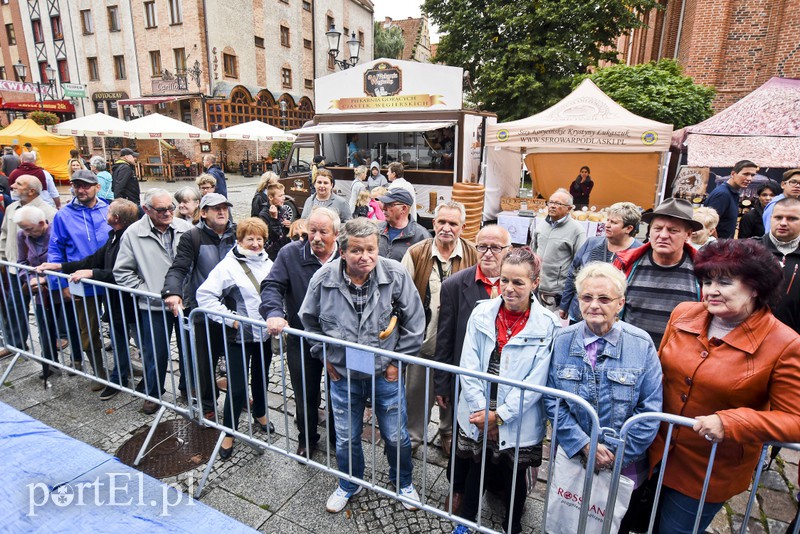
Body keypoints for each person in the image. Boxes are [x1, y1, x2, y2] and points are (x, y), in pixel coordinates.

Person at [650, 239, 800, 533]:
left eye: (725, 282)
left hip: (708, 471)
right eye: (707, 282)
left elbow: (794, 420)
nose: (711, 290)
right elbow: (658, 371)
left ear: (755, 288)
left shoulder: (785, 344)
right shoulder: (683, 313)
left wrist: (731, 423)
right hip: (653, 453)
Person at [299, 217, 424, 514]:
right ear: (342, 252)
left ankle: (403, 482)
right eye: (356, 250)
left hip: (385, 373)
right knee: (345, 436)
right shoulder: (323, 279)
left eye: (371, 249)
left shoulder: (395, 275)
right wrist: (324, 356)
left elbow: (415, 324)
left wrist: (396, 363)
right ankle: (349, 483)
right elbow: (309, 322)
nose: (365, 256)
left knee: (396, 435)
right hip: (343, 374)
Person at [545, 262, 662, 533]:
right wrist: (584, 445)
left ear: (620, 303)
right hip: (575, 457)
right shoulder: (562, 340)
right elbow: (553, 401)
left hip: (623, 465)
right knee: (567, 522)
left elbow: (650, 411)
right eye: (586, 297)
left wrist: (613, 456)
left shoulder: (641, 343)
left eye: (604, 299)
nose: (594, 305)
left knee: (611, 525)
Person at [452, 247, 559, 534]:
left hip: (517, 413)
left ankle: (512, 526)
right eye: (504, 280)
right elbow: (469, 364)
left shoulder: (548, 324)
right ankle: (466, 521)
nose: (509, 288)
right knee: (477, 466)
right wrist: (481, 412)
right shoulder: (482, 312)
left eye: (518, 282)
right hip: (479, 408)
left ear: (535, 283)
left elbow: (537, 381)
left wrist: (500, 416)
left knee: (514, 475)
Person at [434, 224, 512, 513]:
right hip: (467, 381)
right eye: (482, 246)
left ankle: (496, 486)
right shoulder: (455, 285)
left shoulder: (517, 283)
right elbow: (445, 338)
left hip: (504, 382)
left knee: (500, 438)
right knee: (464, 437)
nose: (488, 253)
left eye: (496, 247)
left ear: (508, 250)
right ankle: (458, 488)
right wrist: (442, 383)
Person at [37, 199, 141, 398]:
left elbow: (122, 272)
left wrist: (92, 273)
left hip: (127, 300)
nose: (105, 214)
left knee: (141, 341)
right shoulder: (113, 235)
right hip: (110, 299)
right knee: (113, 334)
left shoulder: (128, 238)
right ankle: (115, 375)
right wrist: (60, 267)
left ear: (115, 218)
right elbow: (94, 259)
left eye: (108, 212)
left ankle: (150, 383)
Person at [261, 206, 341, 457]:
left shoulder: (346, 254)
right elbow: (272, 284)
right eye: (312, 231)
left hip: (338, 341)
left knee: (339, 392)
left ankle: (337, 437)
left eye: (323, 232)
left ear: (336, 234)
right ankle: (306, 438)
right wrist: (274, 312)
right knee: (305, 393)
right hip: (302, 338)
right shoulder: (290, 253)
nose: (316, 237)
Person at [401, 201, 478, 453]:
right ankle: (413, 438)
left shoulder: (473, 255)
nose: (446, 228)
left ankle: (447, 432)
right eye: (442, 222)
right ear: (433, 223)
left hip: (458, 346)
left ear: (462, 227)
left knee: (453, 395)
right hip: (423, 344)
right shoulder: (416, 253)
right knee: (416, 396)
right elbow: (400, 296)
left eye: (453, 223)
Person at [196, 217, 274, 459]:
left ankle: (260, 413)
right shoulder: (227, 266)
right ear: (239, 240)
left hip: (264, 335)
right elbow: (204, 295)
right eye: (250, 239)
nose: (255, 244)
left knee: (261, 377)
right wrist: (231, 319)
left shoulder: (268, 262)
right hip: (238, 337)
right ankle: (229, 431)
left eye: (259, 239)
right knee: (238, 386)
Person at [113, 189, 192, 414]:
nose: (168, 213)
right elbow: (122, 271)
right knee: (155, 352)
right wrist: (147, 292)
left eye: (170, 208)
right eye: (161, 210)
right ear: (146, 209)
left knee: (189, 349)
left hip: (185, 303)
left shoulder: (185, 228)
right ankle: (153, 392)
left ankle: (188, 387)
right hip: (154, 304)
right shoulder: (133, 233)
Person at [163, 192, 237, 411]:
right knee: (206, 361)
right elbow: (179, 268)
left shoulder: (238, 233)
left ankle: (238, 397)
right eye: (216, 208)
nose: (222, 211)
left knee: (237, 358)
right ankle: (207, 404)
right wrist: (172, 292)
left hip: (235, 309)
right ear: (203, 213)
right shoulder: (192, 237)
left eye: (224, 207)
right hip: (205, 310)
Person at [48, 169, 112, 387]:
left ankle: (123, 365)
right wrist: (60, 283)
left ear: (97, 187)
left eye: (86, 185)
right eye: (77, 185)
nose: (81, 190)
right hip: (81, 282)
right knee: (88, 328)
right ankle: (98, 371)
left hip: (109, 279)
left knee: (120, 323)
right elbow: (55, 250)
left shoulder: (108, 209)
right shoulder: (63, 215)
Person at [614, 198, 702, 347]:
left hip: (679, 357)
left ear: (688, 235)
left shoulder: (703, 271)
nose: (663, 235)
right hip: (631, 352)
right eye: (658, 228)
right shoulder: (626, 264)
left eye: (673, 230)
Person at [0, 176, 57, 358]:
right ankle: (15, 343)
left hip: (43, 273)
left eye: (18, 184)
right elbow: (4, 234)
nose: (12, 186)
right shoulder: (11, 208)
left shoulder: (48, 212)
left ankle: (57, 340)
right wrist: (2, 258)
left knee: (50, 309)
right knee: (15, 306)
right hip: (16, 267)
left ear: (32, 190)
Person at [559, 201, 642, 323]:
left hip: (616, 320)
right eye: (608, 220)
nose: (607, 225)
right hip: (581, 314)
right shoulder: (591, 243)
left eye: (613, 222)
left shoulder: (639, 252)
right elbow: (573, 274)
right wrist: (564, 304)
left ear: (628, 228)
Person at [533, 188, 587, 313]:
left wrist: (570, 294)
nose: (552, 206)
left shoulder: (577, 230)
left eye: (557, 203)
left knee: (551, 322)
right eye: (551, 202)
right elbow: (533, 251)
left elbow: (579, 265)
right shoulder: (541, 225)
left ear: (569, 208)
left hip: (556, 292)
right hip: (536, 286)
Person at [755, 197, 800, 333]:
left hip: (794, 338)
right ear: (771, 218)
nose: (783, 223)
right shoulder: (750, 251)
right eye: (778, 217)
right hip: (751, 335)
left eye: (792, 218)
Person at [703, 160, 756, 239]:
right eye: (745, 174)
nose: (749, 178)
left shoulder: (731, 193)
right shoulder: (723, 194)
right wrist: (717, 243)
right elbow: (708, 224)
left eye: (752, 175)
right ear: (733, 174)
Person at [376, 189, 430, 262]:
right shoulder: (376, 229)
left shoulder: (422, 237)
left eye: (389, 204)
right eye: (383, 203)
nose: (384, 208)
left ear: (403, 209)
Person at [764, 168, 800, 233]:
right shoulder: (775, 205)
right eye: (793, 182)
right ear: (783, 185)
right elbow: (770, 233)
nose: (797, 186)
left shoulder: (796, 204)